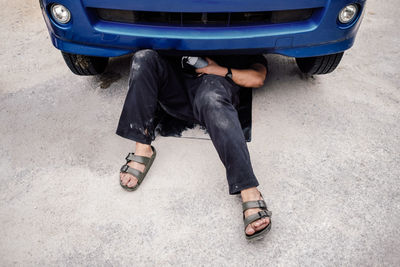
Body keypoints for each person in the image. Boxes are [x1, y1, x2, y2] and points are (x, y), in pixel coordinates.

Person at [116, 49, 272, 239]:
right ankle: (143, 148)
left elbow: (257, 78)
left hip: (215, 91)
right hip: (176, 92)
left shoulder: (240, 40)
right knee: (143, 58)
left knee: (211, 99)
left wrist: (219, 70)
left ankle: (249, 189)